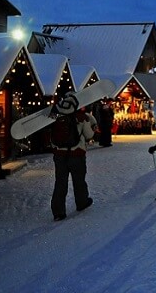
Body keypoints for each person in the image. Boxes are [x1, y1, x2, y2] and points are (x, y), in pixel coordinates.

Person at [50, 93, 95, 221]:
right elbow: (89, 135)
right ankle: (82, 202)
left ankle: (58, 211)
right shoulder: (80, 117)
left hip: (59, 155)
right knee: (79, 180)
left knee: (60, 182)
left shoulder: (55, 115)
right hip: (77, 154)